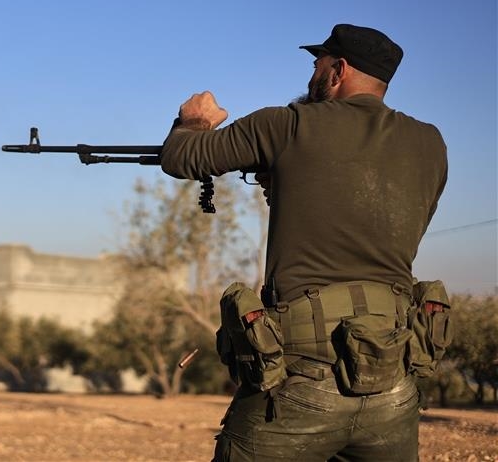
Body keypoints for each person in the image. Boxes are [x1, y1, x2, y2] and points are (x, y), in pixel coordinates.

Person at [160, 24, 448, 461]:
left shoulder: (287, 125)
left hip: (301, 378)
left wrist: (194, 121)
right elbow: (376, 218)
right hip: (392, 380)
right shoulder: (430, 143)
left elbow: (182, 157)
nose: (312, 73)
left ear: (338, 70)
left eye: (318, 63)